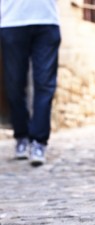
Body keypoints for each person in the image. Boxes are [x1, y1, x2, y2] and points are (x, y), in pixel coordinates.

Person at [0, 0, 61, 165]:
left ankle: (39, 142)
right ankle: (21, 136)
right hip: (12, 21)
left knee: (45, 85)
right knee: (14, 85)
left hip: (47, 21)